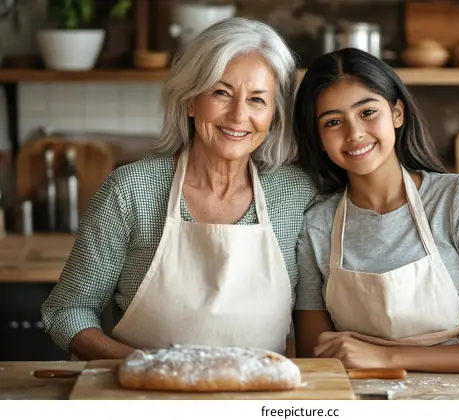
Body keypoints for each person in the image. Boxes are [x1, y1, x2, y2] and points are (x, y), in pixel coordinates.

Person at [41, 17, 317, 360]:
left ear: (274, 115)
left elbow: (313, 317)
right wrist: (141, 366)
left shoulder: (296, 194)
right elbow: (67, 310)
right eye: (221, 93)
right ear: (190, 101)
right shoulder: (130, 191)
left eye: (257, 100)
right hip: (147, 399)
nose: (237, 115)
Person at [291, 48, 459, 373]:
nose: (354, 133)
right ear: (319, 139)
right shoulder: (317, 225)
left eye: (367, 112)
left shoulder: (457, 200)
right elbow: (317, 358)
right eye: (333, 122)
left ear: (397, 113)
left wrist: (386, 357)